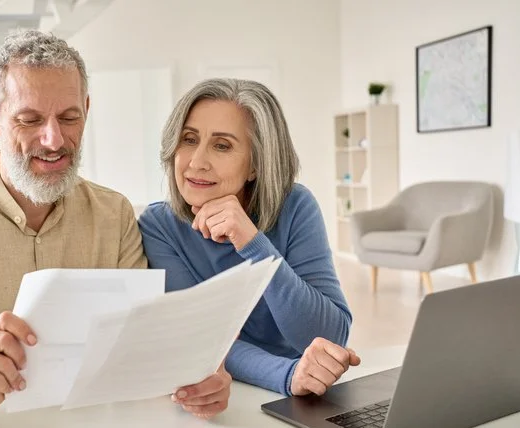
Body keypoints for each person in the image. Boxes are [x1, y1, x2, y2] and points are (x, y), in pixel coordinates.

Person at [0, 31, 224, 428]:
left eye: (70, 117)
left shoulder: (115, 216)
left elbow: (141, 347)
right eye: (30, 119)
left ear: (87, 110)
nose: (54, 140)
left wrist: (197, 375)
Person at [138, 78, 361, 410]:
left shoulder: (296, 206)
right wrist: (287, 374)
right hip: (227, 395)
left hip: (304, 398)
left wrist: (254, 244)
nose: (197, 161)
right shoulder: (159, 226)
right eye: (189, 140)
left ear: (256, 164)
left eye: (222, 145)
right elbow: (203, 339)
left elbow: (331, 335)